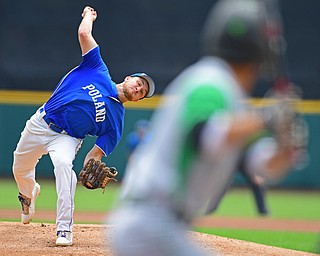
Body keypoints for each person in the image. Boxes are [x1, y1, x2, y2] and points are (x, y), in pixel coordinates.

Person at [108, 0, 301, 255]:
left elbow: (263, 165)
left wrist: (286, 149)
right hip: (149, 223)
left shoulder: (231, 98)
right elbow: (206, 135)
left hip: (162, 227)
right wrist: (266, 117)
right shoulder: (210, 81)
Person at [12, 6, 155, 246]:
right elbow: (84, 36)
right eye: (139, 83)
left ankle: (64, 229)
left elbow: (95, 154)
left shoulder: (116, 122)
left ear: (139, 99)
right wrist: (89, 15)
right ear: (129, 78)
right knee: (19, 167)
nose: (139, 88)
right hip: (41, 121)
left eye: (142, 92)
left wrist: (91, 167)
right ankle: (28, 193)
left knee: (63, 166)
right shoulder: (97, 69)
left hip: (67, 138)